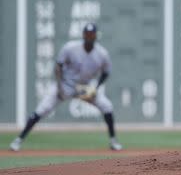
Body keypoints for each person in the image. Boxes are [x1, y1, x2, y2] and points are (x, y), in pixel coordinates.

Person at [9, 23, 123, 151]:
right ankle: (18, 140)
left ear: (96, 36)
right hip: (66, 85)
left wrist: (96, 88)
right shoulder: (71, 48)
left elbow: (106, 72)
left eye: (92, 34)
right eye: (87, 34)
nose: (89, 36)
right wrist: (59, 87)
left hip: (84, 88)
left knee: (107, 106)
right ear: (83, 35)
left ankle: (113, 141)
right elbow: (58, 66)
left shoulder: (102, 53)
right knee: (42, 109)